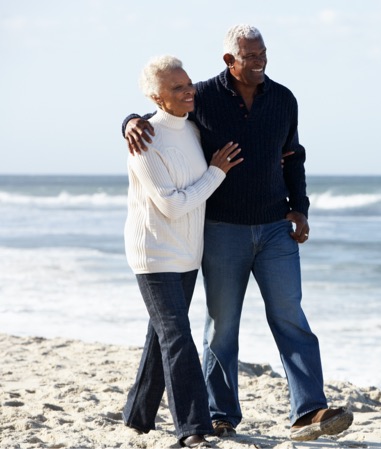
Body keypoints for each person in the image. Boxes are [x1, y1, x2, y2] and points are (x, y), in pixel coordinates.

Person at [122, 25, 353, 441]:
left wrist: (299, 207)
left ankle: (309, 410)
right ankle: (221, 413)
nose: (260, 61)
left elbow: (293, 156)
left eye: (263, 53)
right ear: (229, 60)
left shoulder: (283, 99)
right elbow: (164, 114)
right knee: (222, 326)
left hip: (275, 229)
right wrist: (129, 120)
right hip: (222, 231)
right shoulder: (203, 97)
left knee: (290, 316)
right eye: (250, 56)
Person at [122, 54, 242, 448]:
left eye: (188, 82)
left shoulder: (192, 129)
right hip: (154, 253)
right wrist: (216, 173)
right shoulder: (144, 140)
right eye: (177, 87)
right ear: (158, 97)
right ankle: (193, 428)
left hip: (187, 254)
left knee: (163, 334)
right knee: (177, 335)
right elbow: (171, 204)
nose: (189, 90)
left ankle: (138, 415)